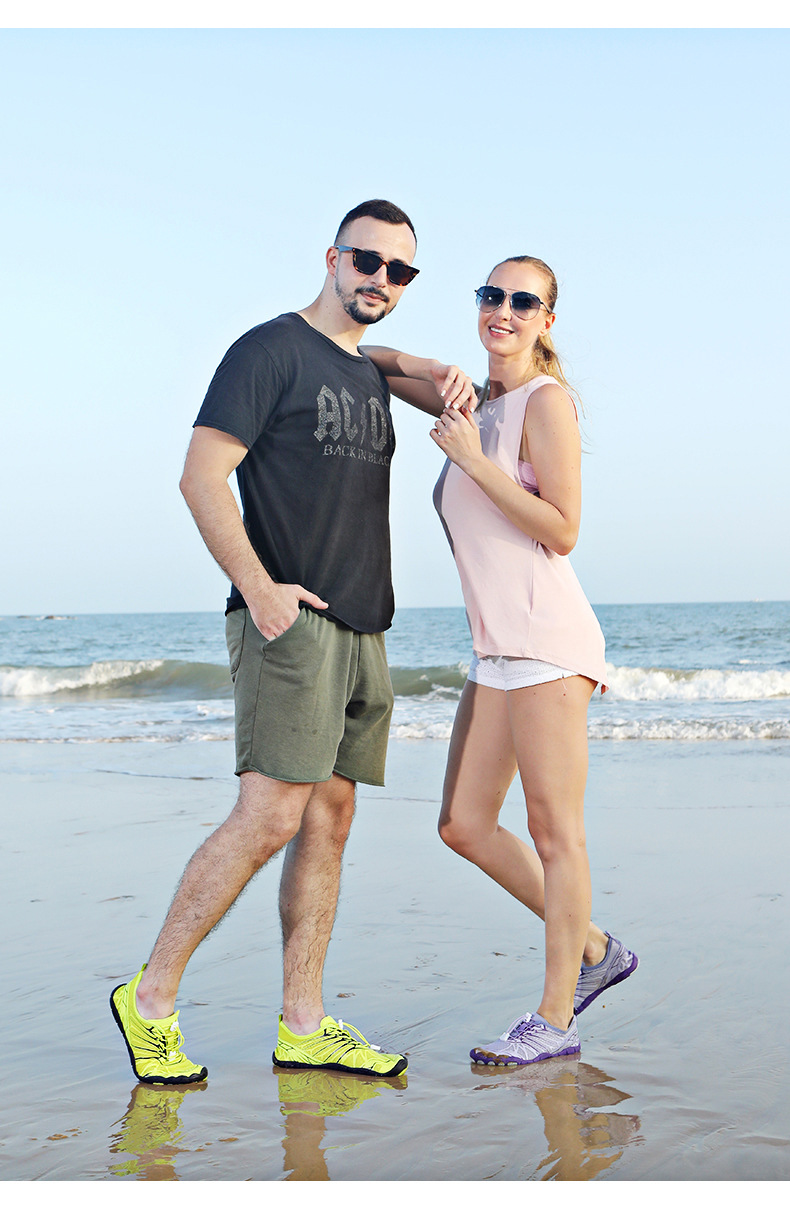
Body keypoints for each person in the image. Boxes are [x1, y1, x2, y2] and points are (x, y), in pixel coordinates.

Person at [109, 199, 476, 1086]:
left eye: (398, 269)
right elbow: (201, 476)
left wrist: (425, 364)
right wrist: (259, 587)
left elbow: (379, 358)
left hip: (363, 623)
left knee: (330, 818)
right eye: (366, 259)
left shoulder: (364, 371)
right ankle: (150, 997)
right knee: (270, 813)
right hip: (291, 619)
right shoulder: (266, 350)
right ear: (332, 257)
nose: (379, 278)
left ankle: (303, 1023)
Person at [367, 256, 637, 1066]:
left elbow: (563, 529)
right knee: (463, 823)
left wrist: (477, 461)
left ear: (547, 320)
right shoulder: (472, 402)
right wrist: (435, 370)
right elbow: (366, 359)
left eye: (525, 301)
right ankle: (595, 947)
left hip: (548, 642)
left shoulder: (545, 402)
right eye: (493, 295)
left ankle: (556, 1018)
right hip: (495, 650)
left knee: (555, 832)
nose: (505, 310)